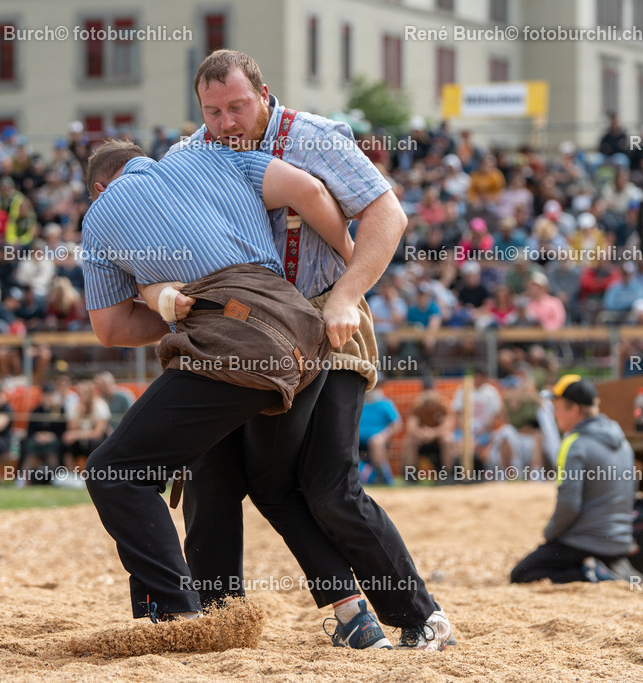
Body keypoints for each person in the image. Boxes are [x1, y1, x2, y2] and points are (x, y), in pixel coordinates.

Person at [162, 49, 451, 651]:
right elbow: (161, 231)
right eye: (212, 111)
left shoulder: (315, 139)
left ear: (264, 95)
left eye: (237, 107)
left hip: (327, 327)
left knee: (326, 487)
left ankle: (420, 617)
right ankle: (224, 619)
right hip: (242, 339)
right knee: (221, 477)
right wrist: (161, 290)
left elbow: (388, 213)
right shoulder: (192, 156)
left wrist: (347, 294)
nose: (226, 123)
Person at [82, 138, 382, 640]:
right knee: (274, 488)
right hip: (304, 332)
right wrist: (352, 272)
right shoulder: (212, 159)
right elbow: (309, 189)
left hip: (232, 343)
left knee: (115, 472)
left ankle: (180, 616)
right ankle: (354, 617)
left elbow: (111, 330)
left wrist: (167, 304)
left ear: (98, 188)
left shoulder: (101, 214)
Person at [510, 375, 637, 583]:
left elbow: (569, 504)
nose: (554, 413)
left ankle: (593, 575)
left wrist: (550, 534)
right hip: (620, 543)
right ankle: (603, 570)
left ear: (575, 410)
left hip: (587, 542)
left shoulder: (574, 444)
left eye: (557, 407)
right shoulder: (622, 440)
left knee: (522, 574)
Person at [357, 381, 399, 485]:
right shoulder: (358, 402)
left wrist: (384, 435)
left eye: (376, 386)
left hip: (377, 440)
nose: (373, 389)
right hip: (357, 440)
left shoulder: (385, 403)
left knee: (376, 441)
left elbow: (397, 424)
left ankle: (382, 477)